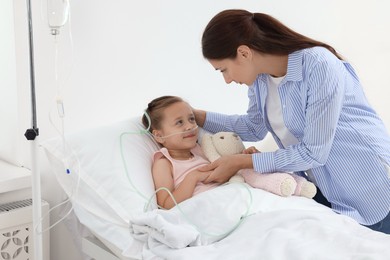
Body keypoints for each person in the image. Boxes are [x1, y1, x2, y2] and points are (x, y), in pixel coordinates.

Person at [193, 9, 390, 234]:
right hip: (326, 188)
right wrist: (195, 115)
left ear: (244, 53)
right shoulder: (260, 81)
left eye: (223, 70)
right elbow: (253, 127)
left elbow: (314, 152)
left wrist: (241, 162)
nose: (227, 80)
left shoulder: (319, 65)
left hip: (371, 186)